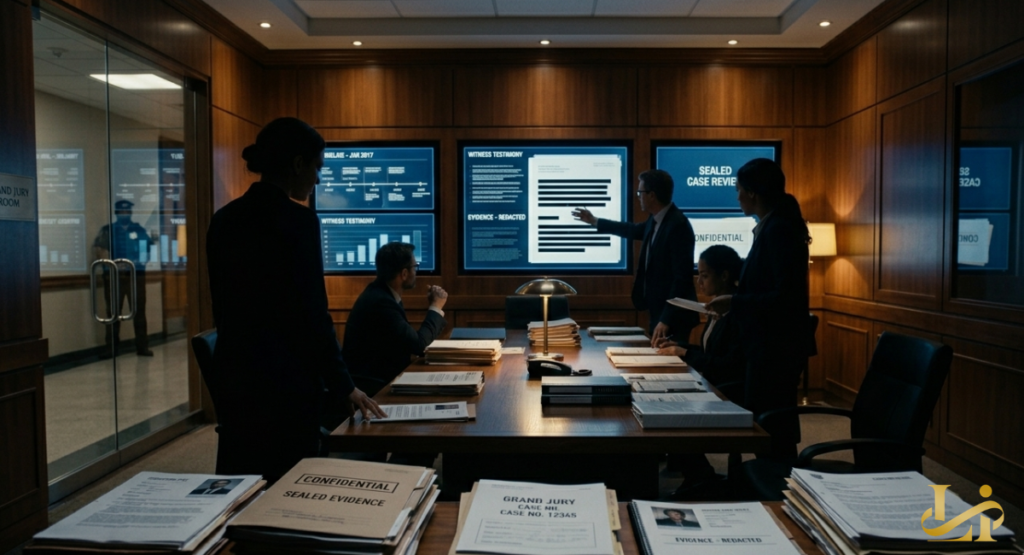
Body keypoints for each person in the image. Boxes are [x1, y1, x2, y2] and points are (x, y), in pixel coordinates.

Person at [206, 117, 384, 481]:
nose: (318, 180)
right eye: (317, 168)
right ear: (298, 164)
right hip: (287, 387)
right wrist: (344, 386)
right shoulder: (298, 222)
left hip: (237, 381)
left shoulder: (223, 219)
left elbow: (222, 306)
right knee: (291, 486)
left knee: (241, 485)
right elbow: (313, 314)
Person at [705, 158, 810, 462]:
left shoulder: (779, 229)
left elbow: (784, 297)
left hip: (774, 347)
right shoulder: (773, 225)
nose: (736, 197)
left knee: (772, 429)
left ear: (752, 193)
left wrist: (734, 302)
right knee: (769, 426)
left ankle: (781, 491)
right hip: (766, 344)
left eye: (738, 190)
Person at [656, 245, 746, 498]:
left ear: (725, 276)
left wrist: (686, 354)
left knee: (667, 408)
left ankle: (699, 476)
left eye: (705, 275)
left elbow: (730, 366)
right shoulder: (718, 308)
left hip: (731, 392)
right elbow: (712, 353)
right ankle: (698, 474)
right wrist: (680, 346)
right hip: (713, 384)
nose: (699, 281)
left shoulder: (738, 314)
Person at [572, 169, 698, 345]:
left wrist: (666, 319)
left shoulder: (677, 226)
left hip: (673, 318)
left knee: (671, 364)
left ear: (652, 195)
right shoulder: (656, 220)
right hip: (658, 312)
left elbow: (681, 280)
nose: (638, 196)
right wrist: (595, 221)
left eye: (640, 192)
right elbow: (631, 229)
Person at [343, 242, 447, 394]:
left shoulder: (381, 294)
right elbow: (419, 345)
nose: (416, 271)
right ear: (404, 274)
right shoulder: (381, 303)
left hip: (381, 380)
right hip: (375, 389)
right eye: (414, 267)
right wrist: (436, 307)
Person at [93, 199, 152, 357]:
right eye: (122, 211)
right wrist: (113, 266)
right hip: (114, 277)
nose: (125, 214)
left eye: (127, 211)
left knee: (139, 312)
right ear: (117, 213)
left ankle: (142, 347)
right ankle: (111, 348)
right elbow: (100, 250)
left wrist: (137, 262)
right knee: (113, 313)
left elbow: (146, 250)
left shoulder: (138, 229)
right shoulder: (108, 230)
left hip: (135, 276)